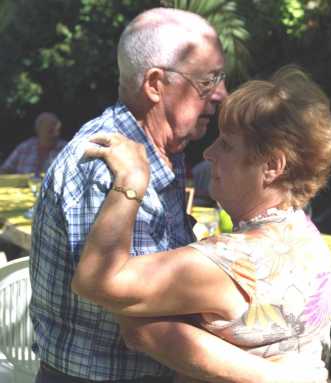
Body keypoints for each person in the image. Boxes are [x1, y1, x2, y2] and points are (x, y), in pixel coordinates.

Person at [29, 8, 306, 383]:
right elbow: (138, 320)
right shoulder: (107, 165)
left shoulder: (160, 151)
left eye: (220, 79)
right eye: (208, 82)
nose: (221, 95)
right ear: (156, 84)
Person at [72, 65, 331, 382]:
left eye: (227, 144)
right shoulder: (305, 236)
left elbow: (95, 281)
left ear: (271, 166)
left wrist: (130, 182)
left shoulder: (233, 261)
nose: (209, 153)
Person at [0, 112, 66, 175]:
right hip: (23, 186)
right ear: (39, 129)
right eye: (50, 130)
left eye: (57, 130)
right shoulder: (25, 147)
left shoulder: (66, 149)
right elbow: (4, 170)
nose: (56, 134)